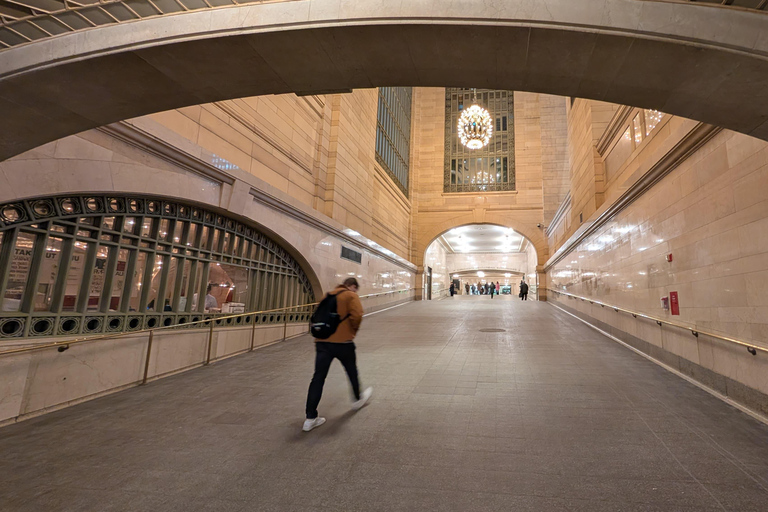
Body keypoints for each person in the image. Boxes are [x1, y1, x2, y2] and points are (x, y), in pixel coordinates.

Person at [304, 277, 372, 432]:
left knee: (318, 377)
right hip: (343, 343)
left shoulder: (327, 295)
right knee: (351, 371)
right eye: (355, 289)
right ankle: (357, 399)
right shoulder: (350, 295)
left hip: (322, 343)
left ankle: (310, 418)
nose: (355, 292)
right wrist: (352, 331)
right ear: (352, 286)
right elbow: (357, 315)